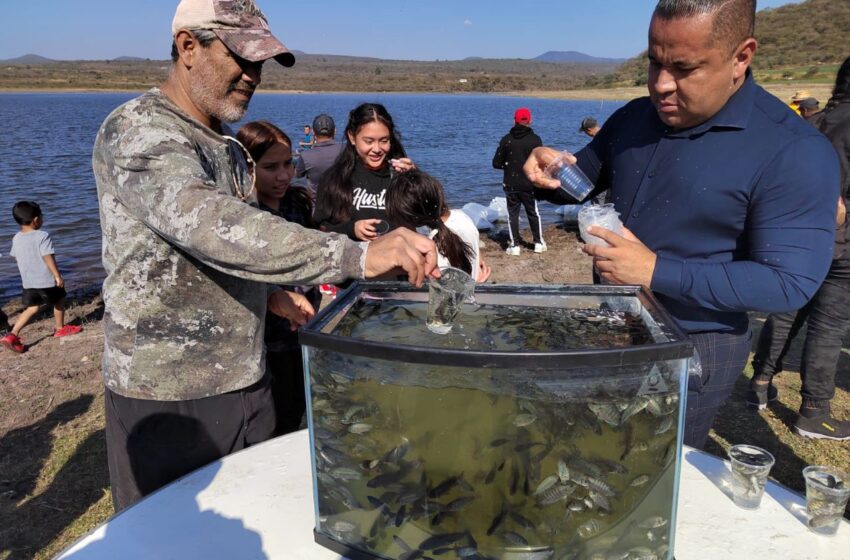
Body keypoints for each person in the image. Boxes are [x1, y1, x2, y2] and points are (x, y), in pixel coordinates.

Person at [92, 0, 439, 511]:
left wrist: (270, 291)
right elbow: (208, 224)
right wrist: (355, 256)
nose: (253, 75)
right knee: (175, 539)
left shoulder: (228, 147)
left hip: (246, 378)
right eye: (241, 57)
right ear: (189, 47)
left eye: (260, 62)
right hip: (170, 394)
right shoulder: (141, 131)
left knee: (251, 519)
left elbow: (220, 252)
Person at [524, 0, 839, 450]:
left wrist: (654, 271)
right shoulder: (634, 117)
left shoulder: (794, 151)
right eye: (654, 62)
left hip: (696, 344)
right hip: (612, 323)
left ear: (741, 57)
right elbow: (581, 184)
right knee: (593, 450)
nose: (661, 85)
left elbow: (790, 282)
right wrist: (544, 168)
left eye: (684, 68)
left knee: (652, 469)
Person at [748, 56, 850, 440]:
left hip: (796, 238)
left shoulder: (813, 122)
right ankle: (814, 410)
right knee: (828, 325)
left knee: (787, 311)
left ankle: (759, 381)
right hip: (840, 241)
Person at [237, 120, 321, 435]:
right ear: (247, 168)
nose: (284, 175)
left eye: (289, 164)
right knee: (267, 421)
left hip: (301, 333)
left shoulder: (298, 203)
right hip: (263, 343)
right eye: (271, 167)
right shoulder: (244, 215)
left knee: (297, 407)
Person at [314, 102, 415, 241]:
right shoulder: (333, 179)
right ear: (352, 137)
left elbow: (426, 217)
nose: (377, 149)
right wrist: (351, 229)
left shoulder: (401, 175)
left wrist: (416, 181)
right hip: (355, 259)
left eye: (384, 141)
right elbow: (319, 229)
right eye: (369, 141)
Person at [2, 201, 83, 354]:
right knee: (59, 300)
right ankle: (60, 328)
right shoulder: (42, 236)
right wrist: (57, 276)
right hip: (46, 280)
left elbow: (16, 258)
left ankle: (12, 334)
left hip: (28, 282)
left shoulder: (16, 238)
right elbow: (48, 257)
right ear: (36, 220)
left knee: (32, 308)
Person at [387, 169, 492, 282]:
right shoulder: (462, 216)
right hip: (472, 288)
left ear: (409, 218)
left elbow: (449, 294)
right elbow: (476, 255)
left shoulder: (431, 247)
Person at [492, 107, 545, 256]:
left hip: (511, 183)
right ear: (530, 121)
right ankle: (538, 243)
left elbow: (496, 163)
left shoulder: (506, 139)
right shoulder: (535, 140)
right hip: (529, 183)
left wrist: (508, 166)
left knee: (512, 215)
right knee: (533, 212)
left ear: (514, 120)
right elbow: (541, 162)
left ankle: (515, 246)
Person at [295, 113, 344, 190]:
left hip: (316, 201)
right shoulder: (346, 150)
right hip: (342, 200)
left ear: (313, 132)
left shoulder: (305, 155)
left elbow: (298, 175)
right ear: (334, 131)